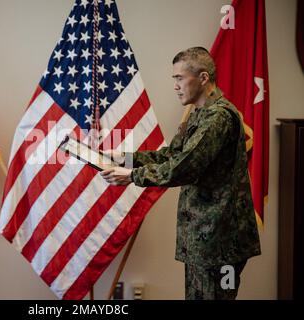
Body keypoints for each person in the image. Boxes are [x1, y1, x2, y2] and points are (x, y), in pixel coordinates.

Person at [100, 47, 261, 300]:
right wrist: (126, 159)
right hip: (204, 237)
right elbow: (171, 155)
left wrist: (132, 176)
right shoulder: (200, 114)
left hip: (220, 240)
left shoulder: (218, 118)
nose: (175, 85)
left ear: (203, 78)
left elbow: (184, 167)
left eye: (179, 78)